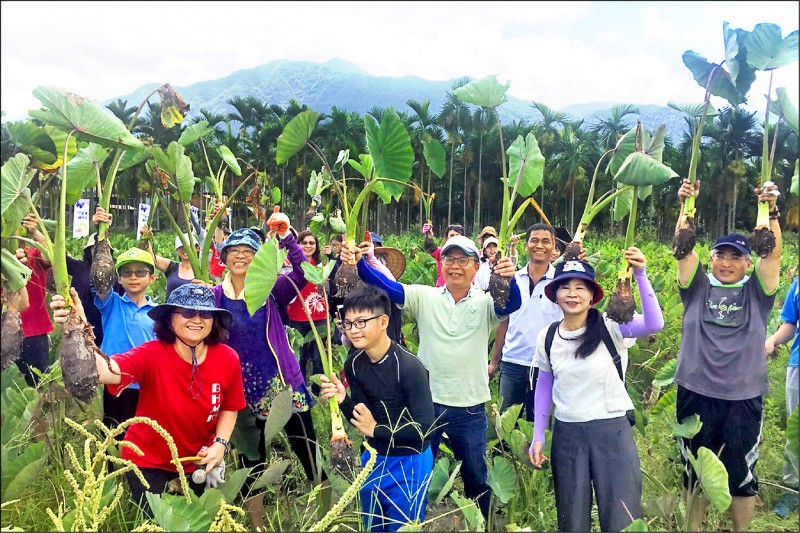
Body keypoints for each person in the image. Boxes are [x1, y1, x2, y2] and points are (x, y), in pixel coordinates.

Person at [340, 234, 521, 518]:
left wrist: (508, 278)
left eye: (463, 260)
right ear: (442, 264)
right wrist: (359, 263)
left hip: (469, 406)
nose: (455, 266)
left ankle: (483, 523)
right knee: (418, 472)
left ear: (476, 266)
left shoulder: (486, 303)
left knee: (476, 475)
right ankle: (414, 520)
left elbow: (509, 305)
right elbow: (388, 287)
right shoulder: (426, 296)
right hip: (426, 406)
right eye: (449, 259)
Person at [50, 283, 245, 516]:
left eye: (205, 314)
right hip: (149, 463)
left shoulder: (227, 358)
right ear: (169, 319)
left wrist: (220, 444)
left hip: (198, 461)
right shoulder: (151, 354)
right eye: (187, 312)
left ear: (214, 321)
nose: (197, 319)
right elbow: (105, 370)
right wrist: (76, 324)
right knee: (158, 524)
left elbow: (230, 407)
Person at [673, 178, 782, 532]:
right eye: (721, 254)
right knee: (695, 471)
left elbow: (773, 254)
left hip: (743, 396)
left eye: (736, 256)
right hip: (696, 392)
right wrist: (686, 206)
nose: (727, 262)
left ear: (748, 263)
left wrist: (772, 212)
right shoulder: (696, 287)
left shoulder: (758, 294)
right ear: (712, 258)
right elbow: (682, 248)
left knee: (741, 473)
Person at [529, 252, 663, 532]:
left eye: (581, 287)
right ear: (555, 295)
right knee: (571, 516)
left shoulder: (613, 325)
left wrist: (640, 274)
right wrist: (538, 436)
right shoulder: (549, 336)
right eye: (565, 287)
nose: (572, 294)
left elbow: (654, 324)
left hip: (611, 430)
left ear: (592, 295)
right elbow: (545, 384)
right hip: (568, 433)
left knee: (621, 515)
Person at [211, 218, 323, 530]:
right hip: (242, 392)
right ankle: (256, 525)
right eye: (234, 250)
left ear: (261, 258)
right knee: (252, 461)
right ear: (224, 257)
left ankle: (329, 514)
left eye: (250, 251)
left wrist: (287, 237)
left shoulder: (273, 287)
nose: (241, 256)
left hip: (283, 384)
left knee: (306, 447)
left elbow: (304, 274)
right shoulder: (215, 296)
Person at [320, 285, 435, 531]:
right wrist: (343, 401)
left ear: (383, 321)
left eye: (361, 322)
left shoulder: (409, 367)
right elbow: (363, 419)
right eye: (348, 323)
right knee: (373, 526)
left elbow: (425, 431)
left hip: (409, 462)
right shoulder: (354, 363)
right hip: (373, 459)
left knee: (403, 527)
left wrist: (377, 430)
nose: (353, 330)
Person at [489, 224, 564, 422]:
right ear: (526, 246)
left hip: (548, 365)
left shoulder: (562, 283)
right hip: (513, 362)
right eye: (534, 240)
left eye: (546, 241)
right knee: (505, 424)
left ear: (554, 246)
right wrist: (494, 361)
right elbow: (504, 323)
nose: (540, 245)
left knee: (540, 424)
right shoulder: (511, 279)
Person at [95, 247, 159, 429]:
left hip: (145, 384)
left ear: (152, 278)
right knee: (114, 433)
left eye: (140, 272)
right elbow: (100, 279)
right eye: (127, 272)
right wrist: (102, 236)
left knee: (143, 433)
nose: (133, 277)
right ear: (118, 279)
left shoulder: (158, 312)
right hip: (114, 380)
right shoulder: (112, 302)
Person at [765, 274, 798, 518]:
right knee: (796, 430)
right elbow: (790, 323)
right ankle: (792, 489)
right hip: (798, 366)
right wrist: (773, 340)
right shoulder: (798, 283)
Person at [286, 230, 329, 385]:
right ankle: (301, 390)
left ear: (316, 246)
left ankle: (320, 390)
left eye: (312, 243)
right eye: (304, 242)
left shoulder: (322, 266)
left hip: (319, 316)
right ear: (298, 245)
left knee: (319, 357)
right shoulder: (290, 264)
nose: (308, 246)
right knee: (300, 357)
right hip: (297, 316)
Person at [13, 240, 53, 387]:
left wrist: (36, 232)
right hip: (6, 331)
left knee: (39, 386)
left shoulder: (33, 254)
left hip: (33, 334)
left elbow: (52, 256)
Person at [147, 232, 202, 298]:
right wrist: (146, 237)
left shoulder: (202, 272)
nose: (185, 249)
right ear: (176, 250)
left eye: (189, 246)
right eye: (181, 247)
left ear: (197, 248)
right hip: (170, 308)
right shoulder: (172, 266)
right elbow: (152, 258)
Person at [422, 223, 465, 287]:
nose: (455, 238)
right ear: (447, 238)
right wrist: (429, 235)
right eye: (452, 235)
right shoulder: (442, 252)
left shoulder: (469, 253)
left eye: (457, 235)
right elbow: (430, 248)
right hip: (443, 290)